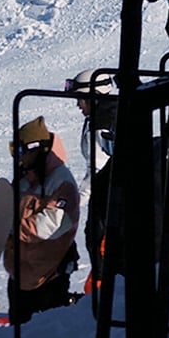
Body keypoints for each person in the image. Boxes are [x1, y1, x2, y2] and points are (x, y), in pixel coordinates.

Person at [5, 116, 80, 323]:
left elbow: (51, 225)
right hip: (20, 277)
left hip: (48, 279)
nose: (17, 158)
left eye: (19, 151)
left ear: (36, 149)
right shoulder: (23, 179)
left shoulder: (61, 182)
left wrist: (12, 228)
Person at [66, 70, 117, 283]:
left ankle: (106, 293)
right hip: (111, 196)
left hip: (108, 199)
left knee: (100, 244)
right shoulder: (105, 116)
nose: (78, 105)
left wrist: (75, 202)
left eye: (81, 99)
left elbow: (97, 170)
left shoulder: (102, 124)